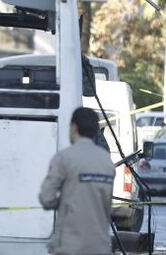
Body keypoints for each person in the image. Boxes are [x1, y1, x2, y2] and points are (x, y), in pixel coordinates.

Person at [39, 107, 115, 255]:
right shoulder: (107, 161)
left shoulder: (64, 158)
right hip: (101, 246)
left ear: (74, 127)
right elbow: (106, 203)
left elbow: (46, 198)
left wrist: (64, 200)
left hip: (70, 246)